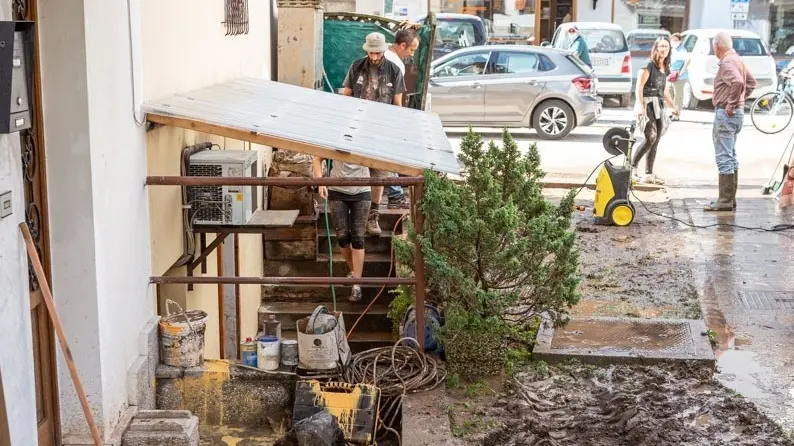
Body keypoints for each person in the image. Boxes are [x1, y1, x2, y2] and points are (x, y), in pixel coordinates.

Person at [342, 32, 408, 235]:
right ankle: (355, 214)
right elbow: (347, 95)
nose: (374, 57)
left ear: (384, 50)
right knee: (354, 169)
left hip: (381, 128)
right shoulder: (356, 66)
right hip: (358, 126)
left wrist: (395, 129)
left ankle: (373, 214)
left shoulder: (394, 70)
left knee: (379, 173)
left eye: (377, 53)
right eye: (371, 52)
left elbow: (397, 103)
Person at [705, 32, 756, 212]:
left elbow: (739, 82)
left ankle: (725, 200)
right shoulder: (737, 59)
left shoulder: (727, 62)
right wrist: (741, 100)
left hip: (727, 114)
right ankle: (729, 199)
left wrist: (731, 104)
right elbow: (751, 83)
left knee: (724, 157)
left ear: (716, 46)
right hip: (737, 114)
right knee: (731, 156)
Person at [313, 156, 370, 302]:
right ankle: (355, 272)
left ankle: (357, 284)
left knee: (358, 237)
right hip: (337, 188)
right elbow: (317, 158)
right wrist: (320, 183)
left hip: (362, 189)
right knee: (342, 236)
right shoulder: (334, 137)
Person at [632, 36, 679, 185]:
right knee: (649, 138)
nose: (664, 49)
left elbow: (663, 90)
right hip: (646, 103)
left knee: (656, 140)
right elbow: (639, 87)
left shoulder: (665, 66)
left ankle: (649, 174)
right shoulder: (648, 65)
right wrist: (640, 106)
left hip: (658, 104)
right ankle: (632, 168)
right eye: (661, 46)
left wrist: (673, 105)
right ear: (656, 48)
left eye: (667, 46)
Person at [668, 33, 690, 119]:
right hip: (671, 75)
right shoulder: (673, 49)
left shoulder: (682, 50)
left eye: (676, 40)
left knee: (678, 96)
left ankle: (676, 115)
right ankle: (672, 111)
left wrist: (682, 70)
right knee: (669, 92)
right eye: (672, 40)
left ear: (680, 41)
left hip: (679, 77)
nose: (674, 42)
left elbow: (688, 60)